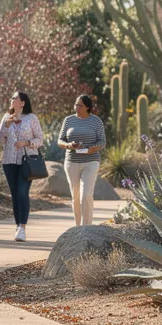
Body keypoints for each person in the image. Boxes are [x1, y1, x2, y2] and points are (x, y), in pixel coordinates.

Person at [0, 91, 44, 242]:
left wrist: (26, 142)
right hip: (9, 161)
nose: (12, 100)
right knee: (15, 194)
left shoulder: (31, 118)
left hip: (27, 161)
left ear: (23, 103)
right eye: (11, 98)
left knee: (22, 193)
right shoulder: (6, 117)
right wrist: (6, 125)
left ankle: (22, 228)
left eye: (15, 98)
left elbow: (40, 140)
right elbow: (0, 140)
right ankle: (18, 226)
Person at [58, 94, 107, 227]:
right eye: (76, 105)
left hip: (91, 161)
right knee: (75, 197)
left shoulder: (96, 121)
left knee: (86, 195)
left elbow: (102, 141)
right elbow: (60, 140)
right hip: (72, 161)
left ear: (87, 107)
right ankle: (77, 228)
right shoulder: (69, 120)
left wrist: (94, 148)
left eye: (80, 105)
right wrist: (68, 145)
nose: (77, 107)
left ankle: (87, 228)